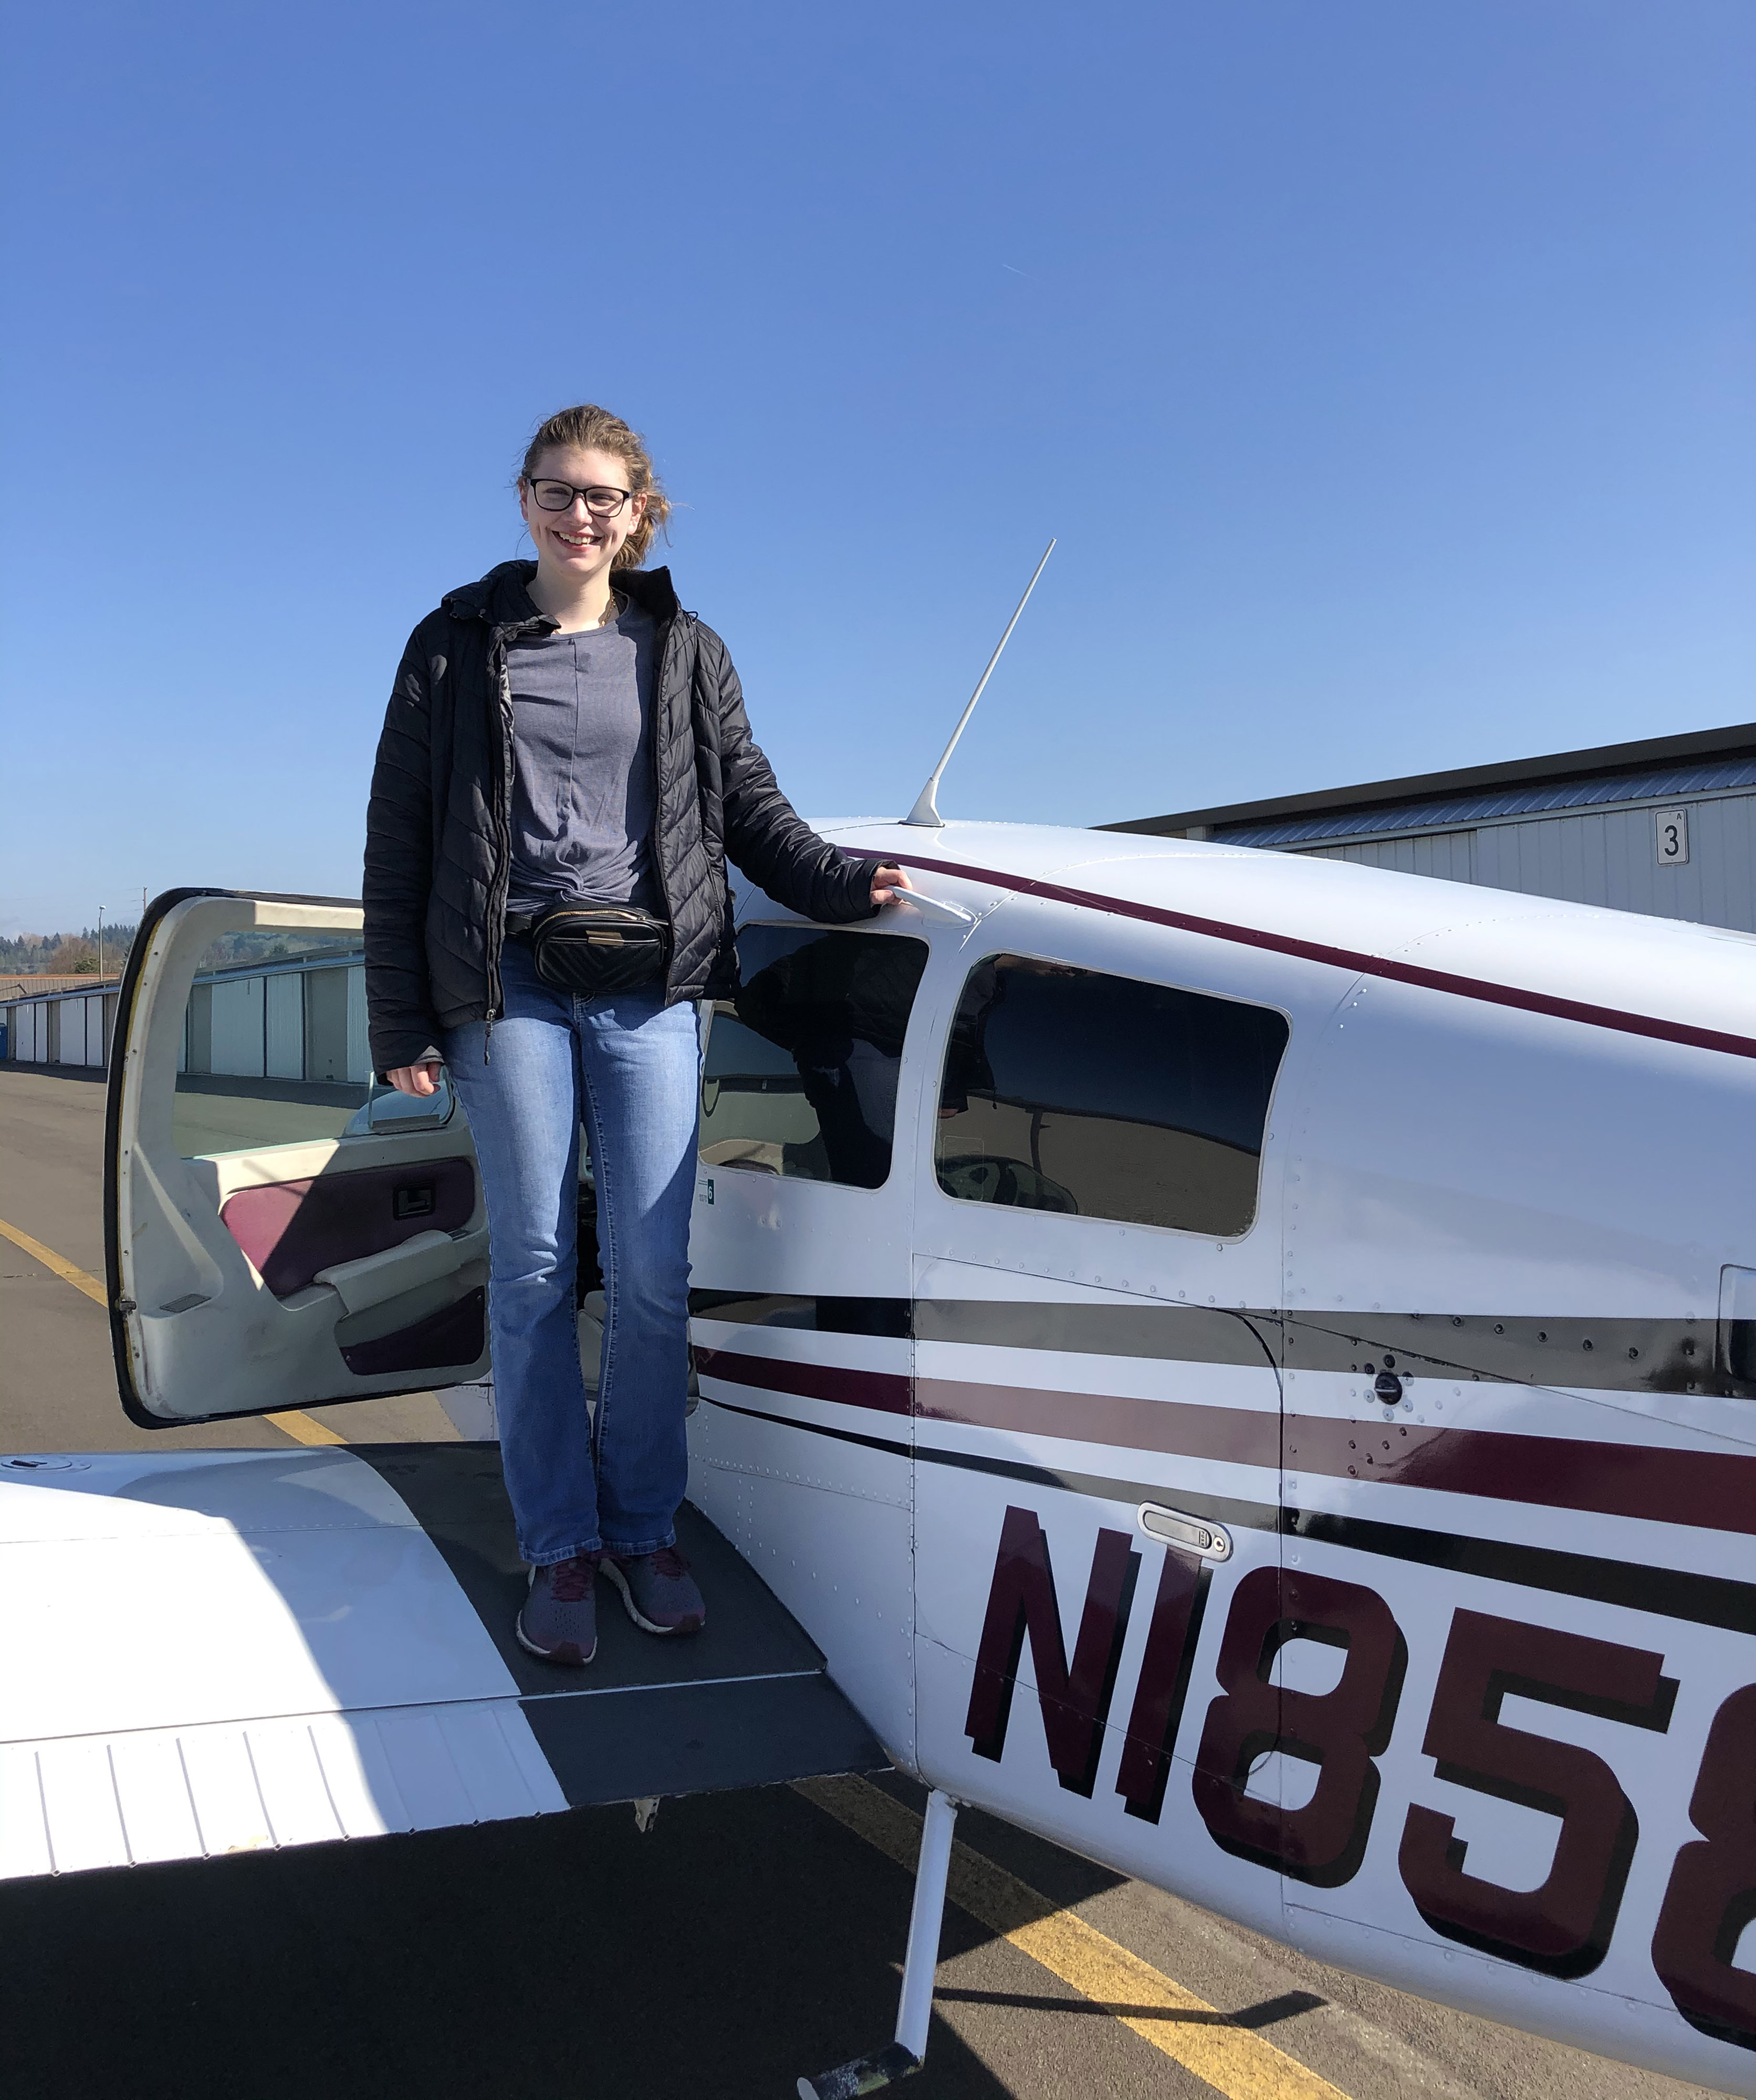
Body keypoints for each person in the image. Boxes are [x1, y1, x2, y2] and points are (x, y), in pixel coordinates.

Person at [362, 403, 910, 1666]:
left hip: (651, 983)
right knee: (540, 1266)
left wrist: (835, 882)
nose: (580, 512)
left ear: (638, 511)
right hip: (505, 984)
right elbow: (401, 836)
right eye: (559, 489)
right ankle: (559, 1544)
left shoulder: (684, 647)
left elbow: (747, 800)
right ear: (525, 499)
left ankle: (644, 1526)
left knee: (656, 1275)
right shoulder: (451, 646)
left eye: (605, 495)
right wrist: (401, 1010)